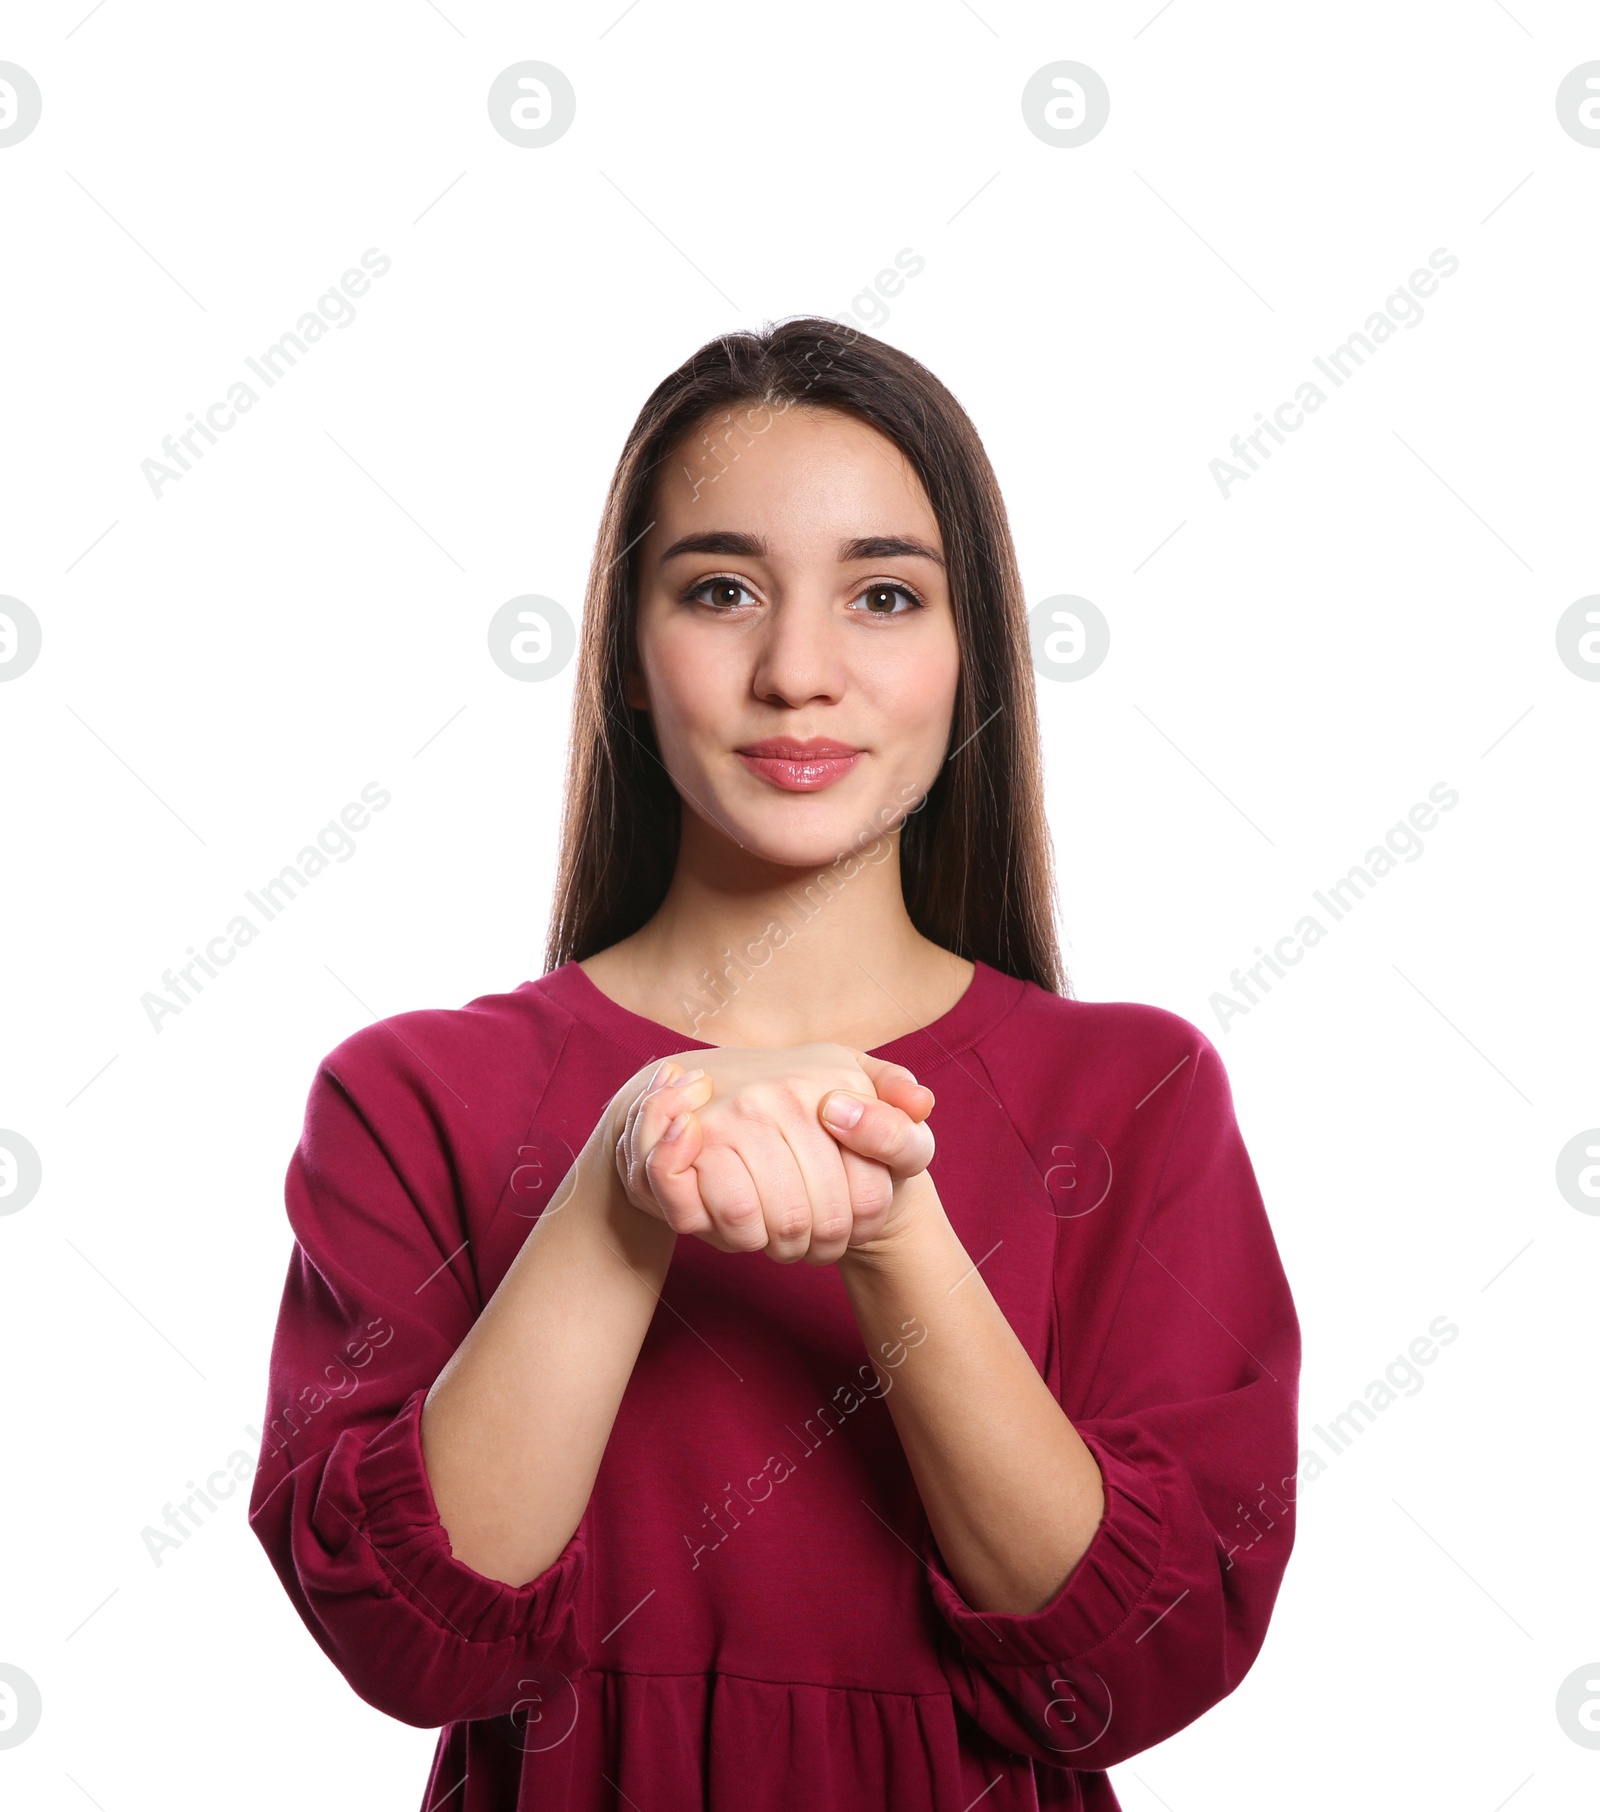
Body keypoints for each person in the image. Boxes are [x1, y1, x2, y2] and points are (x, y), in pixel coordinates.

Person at [248, 317, 1301, 1810]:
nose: (799, 672)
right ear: (624, 650)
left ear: (969, 654)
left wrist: (894, 1234)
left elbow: (1132, 1668)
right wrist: (622, 1190)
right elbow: (415, 1648)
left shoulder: (1133, 1094)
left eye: (884, 595)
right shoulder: (412, 1098)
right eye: (722, 589)